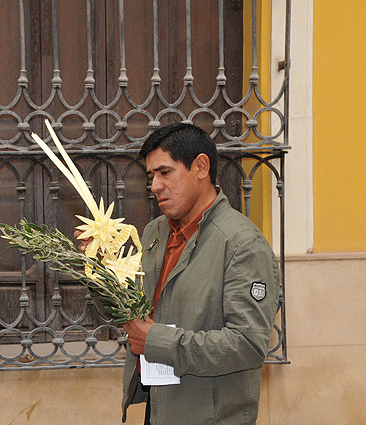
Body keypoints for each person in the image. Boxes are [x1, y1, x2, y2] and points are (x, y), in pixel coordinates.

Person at [80, 123, 280, 424]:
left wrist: (157, 342)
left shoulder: (242, 244)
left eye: (165, 173)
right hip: (160, 410)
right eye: (151, 177)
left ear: (201, 167)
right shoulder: (155, 232)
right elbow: (129, 311)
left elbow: (248, 346)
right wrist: (99, 274)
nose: (155, 186)